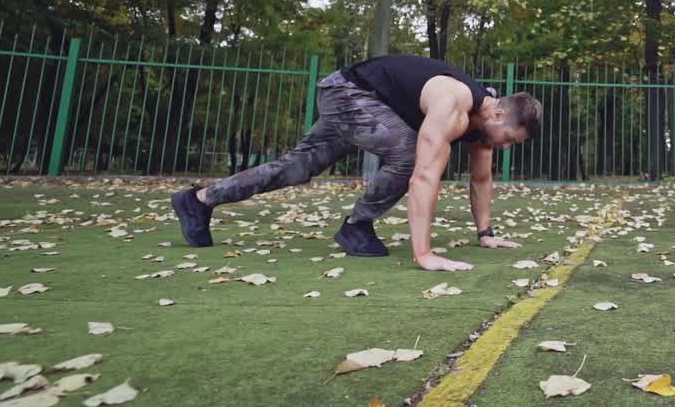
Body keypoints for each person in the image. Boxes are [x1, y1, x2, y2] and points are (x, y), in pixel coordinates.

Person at [171, 55, 542, 271]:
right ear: (497, 115)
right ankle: (357, 227)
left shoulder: (482, 131)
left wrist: (485, 234)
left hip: (360, 104)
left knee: (297, 168)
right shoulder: (456, 102)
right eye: (509, 139)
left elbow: (481, 181)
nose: (506, 148)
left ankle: (199, 200)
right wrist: (424, 254)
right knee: (411, 153)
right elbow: (424, 175)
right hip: (348, 93)